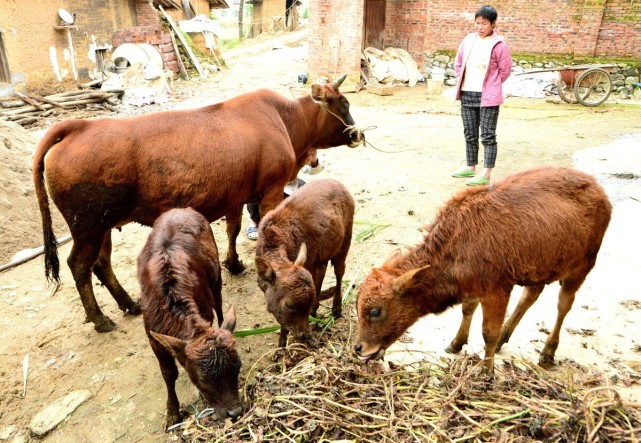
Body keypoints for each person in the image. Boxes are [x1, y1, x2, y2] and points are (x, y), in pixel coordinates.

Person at [452, 5, 512, 186]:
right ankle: (471, 167)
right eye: (477, 23)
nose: (479, 27)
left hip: (488, 97)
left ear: (493, 24)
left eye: (483, 24)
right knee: (470, 133)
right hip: (467, 93)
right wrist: (463, 80)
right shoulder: (469, 40)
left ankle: (486, 173)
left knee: (487, 135)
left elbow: (505, 70)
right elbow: (458, 63)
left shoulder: (499, 45)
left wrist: (492, 85)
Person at [245, 149, 323, 240]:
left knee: (306, 189)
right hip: (267, 186)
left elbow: (309, 170)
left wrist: (313, 161)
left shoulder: (299, 143)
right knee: (254, 188)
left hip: (290, 186)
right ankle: (254, 222)